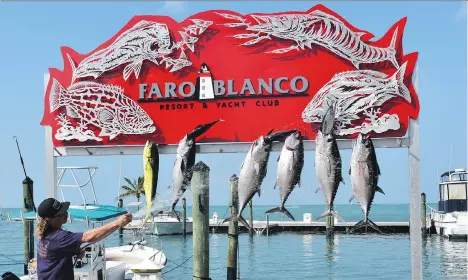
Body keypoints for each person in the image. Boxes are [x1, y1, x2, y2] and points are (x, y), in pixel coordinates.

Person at [35, 198, 132, 280]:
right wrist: (117, 223)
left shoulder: (44, 235)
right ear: (50, 219)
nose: (66, 214)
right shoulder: (60, 237)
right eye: (61, 213)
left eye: (64, 211)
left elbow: (54, 253)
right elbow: (88, 237)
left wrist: (73, 251)